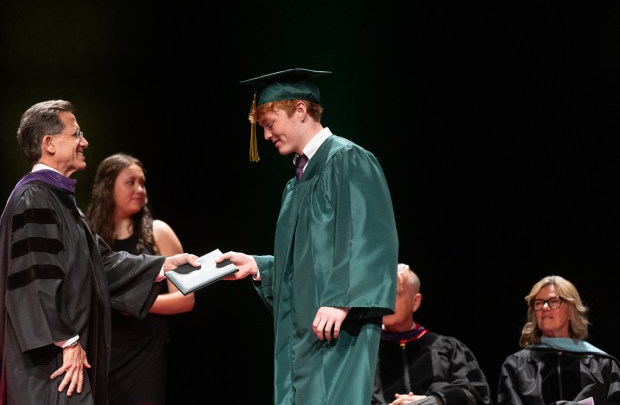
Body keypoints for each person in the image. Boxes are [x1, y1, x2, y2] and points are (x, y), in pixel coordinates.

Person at [215, 68, 399, 404]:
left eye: (270, 124)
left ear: (300, 110)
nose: (267, 135)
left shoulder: (348, 160)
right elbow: (308, 262)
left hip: (339, 330)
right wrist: (258, 266)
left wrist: (341, 300)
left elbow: (372, 239)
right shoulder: (295, 185)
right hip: (304, 334)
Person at [0, 100, 199, 405]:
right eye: (76, 133)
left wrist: (163, 266)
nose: (85, 141)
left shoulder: (62, 203)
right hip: (51, 365)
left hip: (65, 362)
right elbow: (33, 281)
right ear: (49, 143)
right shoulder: (34, 198)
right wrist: (67, 341)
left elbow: (101, 265)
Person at [86, 153, 195, 405]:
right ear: (107, 187)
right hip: (102, 350)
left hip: (144, 352)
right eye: (130, 182)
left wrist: (133, 302)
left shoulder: (159, 231)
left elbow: (186, 300)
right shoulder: (89, 236)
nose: (139, 189)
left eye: (142, 183)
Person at [371, 263, 492, 405]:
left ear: (415, 302)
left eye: (394, 294)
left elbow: (477, 396)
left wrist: (436, 400)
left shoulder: (447, 349)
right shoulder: (368, 352)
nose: (385, 301)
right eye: (381, 293)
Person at [497, 275, 620, 405]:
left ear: (572, 308)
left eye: (554, 301)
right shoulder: (516, 366)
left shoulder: (602, 365)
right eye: (538, 303)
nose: (544, 307)